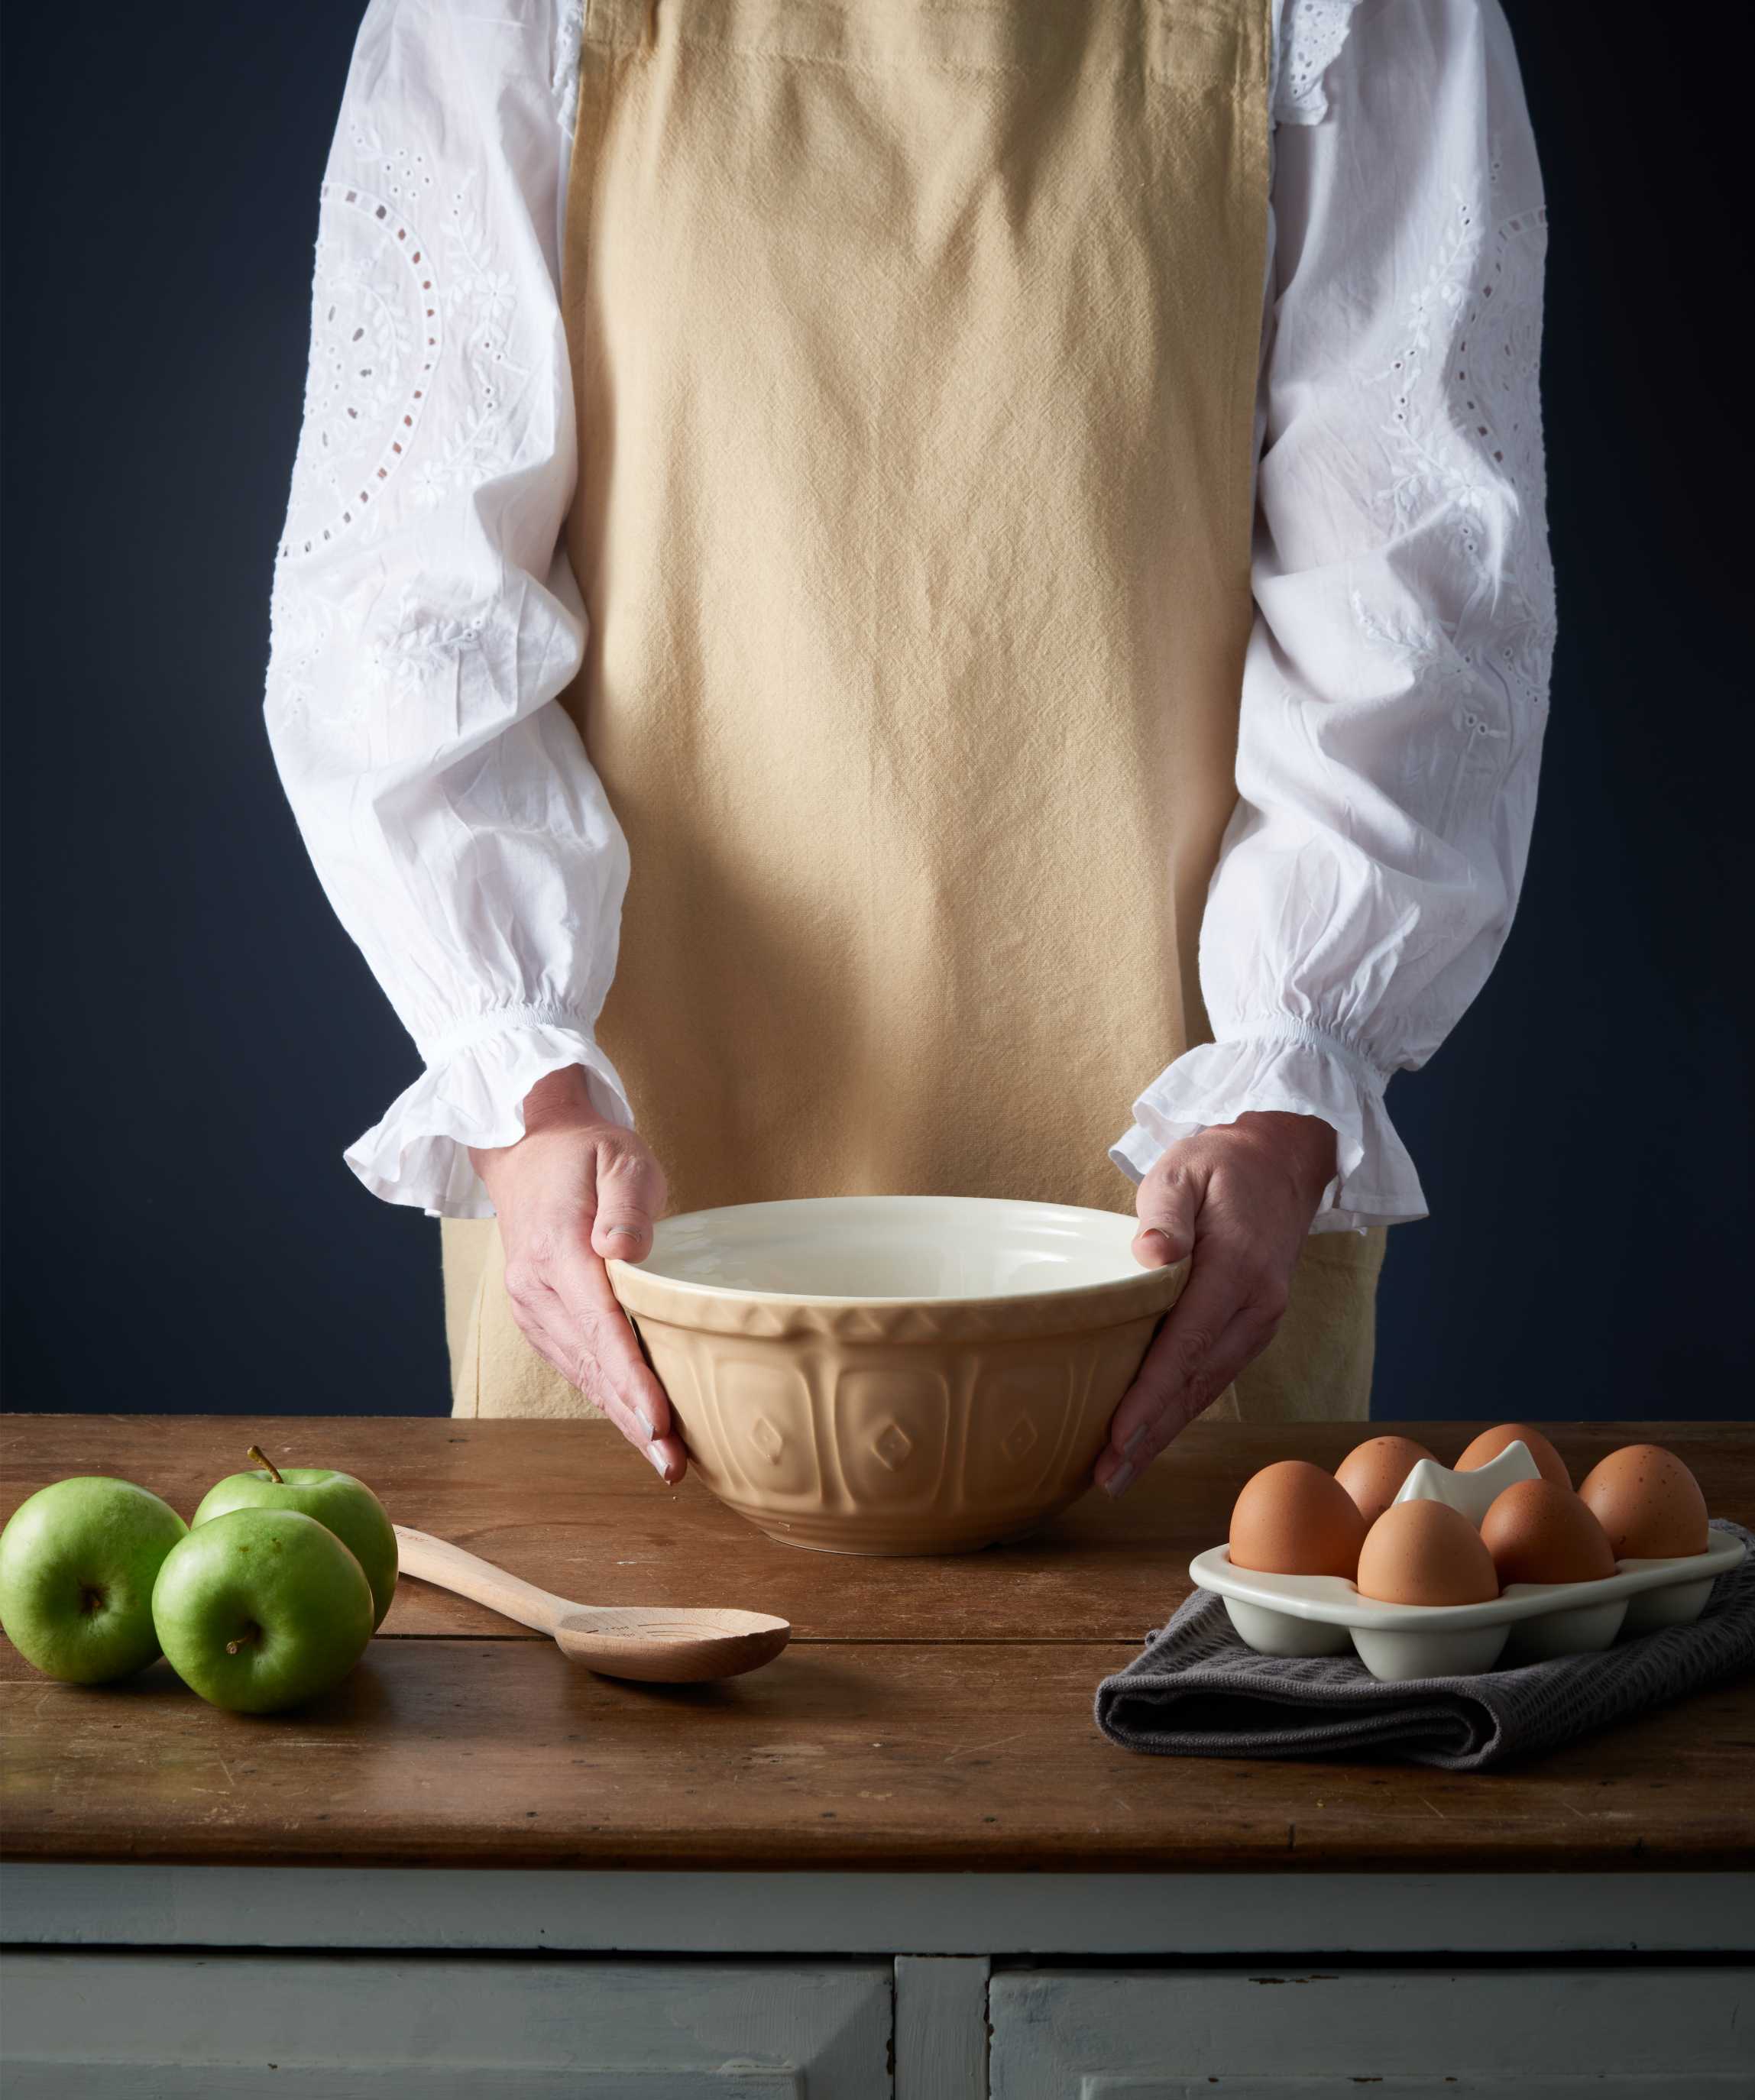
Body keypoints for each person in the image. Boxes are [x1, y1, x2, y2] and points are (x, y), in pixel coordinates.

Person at [266, 0, 1553, 1494]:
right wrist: (524, 1095)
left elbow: (1419, 589)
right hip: (633, 1195)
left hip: (1185, 1202)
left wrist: (1282, 1104)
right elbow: (408, 604)